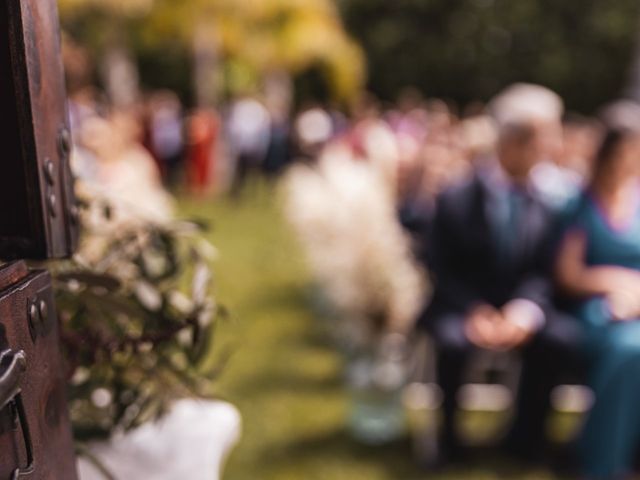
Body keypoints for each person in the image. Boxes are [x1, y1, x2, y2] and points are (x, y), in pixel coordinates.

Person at [419, 84, 582, 465]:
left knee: (559, 340)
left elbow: (546, 268)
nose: (552, 147)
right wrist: (474, 310)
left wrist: (524, 310)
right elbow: (440, 265)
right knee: (452, 343)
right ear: (513, 141)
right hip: (461, 305)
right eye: (546, 137)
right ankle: (449, 441)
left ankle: (525, 440)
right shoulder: (456, 195)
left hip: (521, 307)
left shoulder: (553, 198)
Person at [554, 100, 640, 479]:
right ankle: (602, 462)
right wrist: (615, 283)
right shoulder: (579, 201)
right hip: (596, 307)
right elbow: (568, 273)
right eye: (627, 149)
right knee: (630, 350)